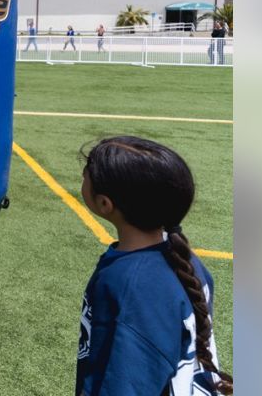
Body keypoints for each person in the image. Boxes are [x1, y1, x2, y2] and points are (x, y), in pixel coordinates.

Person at [77, 136, 233, 395]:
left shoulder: (127, 285)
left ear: (105, 204)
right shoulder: (185, 260)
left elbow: (124, 382)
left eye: (86, 174)